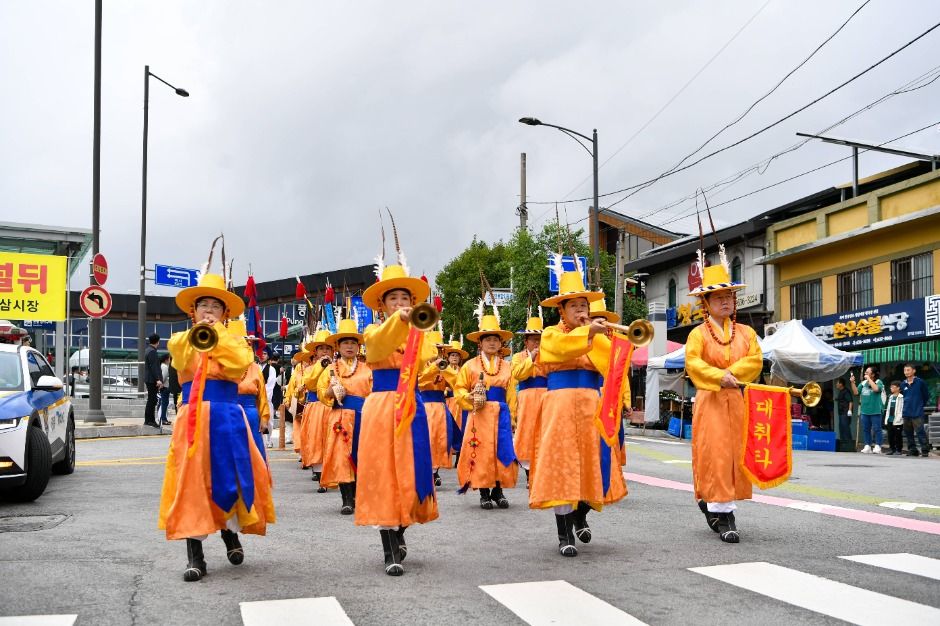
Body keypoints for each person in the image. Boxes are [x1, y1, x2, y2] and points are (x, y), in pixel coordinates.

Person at [157, 256, 274, 582]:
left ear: (226, 314)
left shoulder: (236, 344)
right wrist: (200, 333)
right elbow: (179, 355)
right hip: (192, 418)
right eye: (202, 306)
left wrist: (218, 335)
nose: (208, 311)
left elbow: (238, 365)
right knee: (190, 484)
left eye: (215, 306)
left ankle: (230, 534)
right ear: (192, 312)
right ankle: (195, 556)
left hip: (226, 417)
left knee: (230, 479)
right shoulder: (181, 340)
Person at [529, 263, 625, 557]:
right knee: (561, 465)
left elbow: (613, 366)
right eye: (575, 306)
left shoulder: (598, 335)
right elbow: (558, 349)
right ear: (562, 310)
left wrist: (599, 335)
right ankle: (564, 533)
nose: (581, 310)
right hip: (558, 404)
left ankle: (581, 511)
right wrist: (587, 334)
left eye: (584, 305)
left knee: (590, 463)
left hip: (590, 405)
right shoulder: (549, 334)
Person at [355, 248, 439, 577]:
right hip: (382, 406)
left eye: (406, 297)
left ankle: (400, 528)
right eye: (395, 299)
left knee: (411, 469)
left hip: (412, 404)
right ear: (383, 305)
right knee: (383, 473)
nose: (402, 303)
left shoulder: (421, 336)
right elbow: (377, 348)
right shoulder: (374, 332)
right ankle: (389, 545)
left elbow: (427, 364)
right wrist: (398, 322)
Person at [685, 251, 762, 544]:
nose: (726, 300)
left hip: (736, 401)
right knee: (715, 453)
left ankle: (716, 505)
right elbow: (693, 364)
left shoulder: (745, 332)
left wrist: (732, 373)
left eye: (729, 295)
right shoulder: (697, 335)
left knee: (735, 454)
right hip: (711, 400)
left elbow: (755, 360)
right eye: (718, 297)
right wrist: (719, 377)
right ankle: (725, 515)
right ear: (706, 303)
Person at [454, 311, 518, 509]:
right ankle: (484, 491)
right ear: (479, 343)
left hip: (501, 414)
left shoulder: (508, 366)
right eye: (487, 339)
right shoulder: (470, 366)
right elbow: (459, 388)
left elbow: (511, 394)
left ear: (501, 344)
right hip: (479, 414)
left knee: (501, 449)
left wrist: (514, 418)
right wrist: (470, 397)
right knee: (481, 451)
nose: (492, 343)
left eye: (495, 340)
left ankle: (498, 491)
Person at [319, 318, 372, 514]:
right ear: (338, 346)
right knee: (342, 456)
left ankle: (359, 494)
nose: (349, 347)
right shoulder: (331, 369)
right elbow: (321, 391)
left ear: (358, 347)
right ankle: (346, 499)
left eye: (353, 343)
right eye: (345, 343)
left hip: (363, 416)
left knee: (362, 455)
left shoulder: (368, 369)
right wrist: (330, 393)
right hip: (339, 417)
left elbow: (374, 393)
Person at [418, 330, 457, 488]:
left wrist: (445, 369)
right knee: (425, 439)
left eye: (440, 350)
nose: (437, 353)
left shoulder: (444, 367)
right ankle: (426, 471)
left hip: (440, 407)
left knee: (440, 440)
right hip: (423, 406)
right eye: (434, 349)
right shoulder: (421, 366)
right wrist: (433, 368)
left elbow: (456, 383)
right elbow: (418, 381)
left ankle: (434, 471)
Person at [511, 313, 546, 489]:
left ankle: (543, 474)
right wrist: (531, 358)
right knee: (526, 436)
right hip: (526, 401)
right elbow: (517, 374)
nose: (537, 343)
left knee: (545, 435)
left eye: (539, 339)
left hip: (546, 399)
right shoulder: (518, 357)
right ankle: (529, 475)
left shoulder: (549, 355)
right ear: (526, 341)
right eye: (533, 339)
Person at [229, 319, 271, 461]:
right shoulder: (221, 366)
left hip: (250, 413)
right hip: (228, 412)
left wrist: (264, 418)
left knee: (252, 452)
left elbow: (262, 396)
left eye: (245, 344)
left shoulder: (255, 368)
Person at [300, 329, 334, 489]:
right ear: (316, 352)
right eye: (321, 349)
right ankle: (320, 475)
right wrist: (321, 366)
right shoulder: (309, 369)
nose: (325, 352)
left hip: (333, 407)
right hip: (316, 407)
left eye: (328, 348)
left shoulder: (338, 366)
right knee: (316, 440)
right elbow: (310, 384)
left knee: (333, 440)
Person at [851, 367, 884, 454]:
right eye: (865, 372)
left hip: (875, 410)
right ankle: (867, 445)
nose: (865, 373)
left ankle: (878, 446)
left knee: (877, 429)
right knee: (866, 429)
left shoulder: (878, 382)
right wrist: (852, 383)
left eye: (867, 372)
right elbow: (856, 392)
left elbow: (876, 389)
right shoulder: (863, 383)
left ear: (873, 374)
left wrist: (869, 379)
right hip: (864, 410)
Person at [900, 363, 930, 457]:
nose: (906, 372)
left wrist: (920, 405)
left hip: (917, 411)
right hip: (906, 412)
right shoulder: (903, 384)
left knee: (920, 431)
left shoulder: (920, 382)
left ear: (914, 371)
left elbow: (926, 395)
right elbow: (902, 397)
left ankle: (925, 450)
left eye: (908, 370)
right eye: (905, 370)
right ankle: (913, 450)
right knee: (908, 433)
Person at [144, 333, 163, 427]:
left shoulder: (148, 350)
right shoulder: (152, 351)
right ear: (158, 341)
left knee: (151, 399)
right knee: (152, 400)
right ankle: (150, 420)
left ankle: (148, 420)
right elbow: (154, 367)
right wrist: (158, 379)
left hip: (149, 379)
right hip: (152, 380)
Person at [884, 381, 905, 456]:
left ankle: (899, 450)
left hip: (897, 420)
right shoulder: (891, 397)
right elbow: (888, 409)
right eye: (891, 387)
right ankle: (892, 449)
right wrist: (886, 419)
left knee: (898, 436)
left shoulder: (901, 397)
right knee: (890, 435)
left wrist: (899, 418)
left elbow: (901, 409)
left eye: (893, 387)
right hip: (890, 419)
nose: (891, 388)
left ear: (898, 388)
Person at [835, 378, 854, 450]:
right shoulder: (841, 391)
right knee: (842, 428)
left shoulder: (846, 391)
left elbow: (850, 401)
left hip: (845, 413)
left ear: (841, 384)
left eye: (837, 383)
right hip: (841, 413)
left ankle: (849, 445)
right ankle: (843, 445)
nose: (836, 384)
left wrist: (849, 410)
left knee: (846, 428)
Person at [158, 354, 171, 425]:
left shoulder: (161, 365)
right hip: (165, 387)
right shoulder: (165, 366)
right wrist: (161, 384)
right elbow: (163, 376)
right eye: (169, 359)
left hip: (163, 387)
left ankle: (163, 418)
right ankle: (163, 419)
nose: (169, 360)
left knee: (164, 403)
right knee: (165, 403)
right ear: (166, 359)